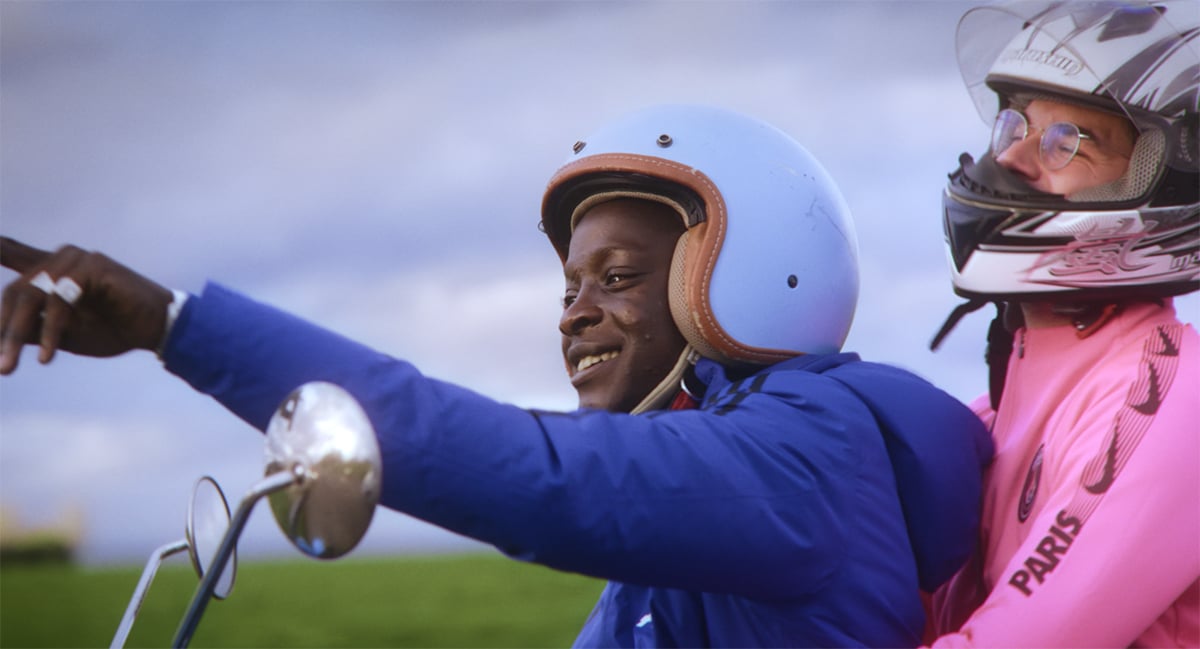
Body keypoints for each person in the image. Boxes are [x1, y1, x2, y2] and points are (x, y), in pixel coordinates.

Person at [0, 104, 992, 647]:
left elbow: (538, 476)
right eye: (568, 284)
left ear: (741, 276)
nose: (574, 311)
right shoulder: (706, 477)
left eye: (618, 278)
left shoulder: (801, 454)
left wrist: (179, 326)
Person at [925, 1, 1199, 646]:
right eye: (1015, 124)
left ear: (1159, 182)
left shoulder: (1164, 399)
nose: (1015, 156)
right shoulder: (999, 409)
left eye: (1067, 140)